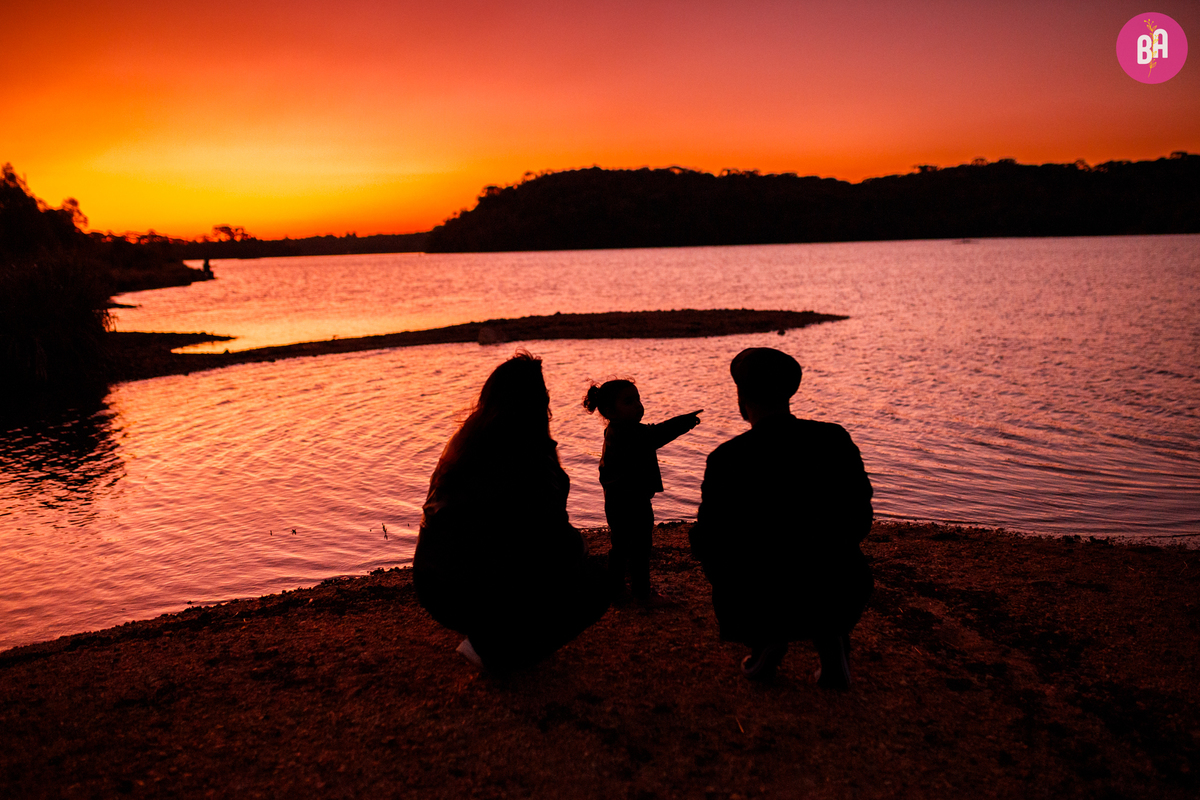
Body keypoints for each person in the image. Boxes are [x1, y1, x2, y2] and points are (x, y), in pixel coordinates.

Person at [414, 351, 610, 673]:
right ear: (538, 403)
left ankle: (494, 633)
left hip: (431, 583)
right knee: (599, 578)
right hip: (469, 588)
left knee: (533, 558)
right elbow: (551, 536)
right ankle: (493, 651)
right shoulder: (528, 457)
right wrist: (579, 551)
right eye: (544, 398)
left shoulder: (464, 443)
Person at [689, 348, 874, 689]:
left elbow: (712, 535)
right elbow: (861, 515)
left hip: (762, 592)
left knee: (713, 546)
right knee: (826, 555)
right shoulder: (834, 438)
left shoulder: (728, 457)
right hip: (840, 586)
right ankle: (830, 636)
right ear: (790, 391)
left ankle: (766, 638)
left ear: (741, 396)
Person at [583, 379, 701, 606]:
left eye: (638, 399)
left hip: (618, 500)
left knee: (621, 546)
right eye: (629, 401)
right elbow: (655, 435)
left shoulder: (618, 430)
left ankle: (616, 590)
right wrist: (682, 423)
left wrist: (680, 423)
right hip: (632, 500)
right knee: (640, 547)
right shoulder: (627, 433)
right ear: (609, 410)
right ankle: (642, 593)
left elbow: (652, 433)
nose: (638, 405)